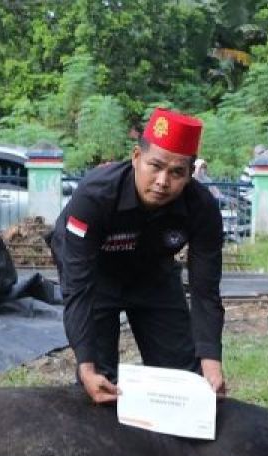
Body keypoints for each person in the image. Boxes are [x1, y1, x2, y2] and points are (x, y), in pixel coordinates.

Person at [49, 107, 225, 404]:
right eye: (155, 166)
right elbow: (78, 288)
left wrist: (210, 358)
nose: (162, 181)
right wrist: (86, 367)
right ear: (135, 157)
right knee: (100, 384)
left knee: (186, 382)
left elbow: (205, 291)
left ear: (191, 173)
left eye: (177, 173)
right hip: (95, 273)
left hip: (153, 273)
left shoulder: (202, 208)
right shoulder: (95, 196)